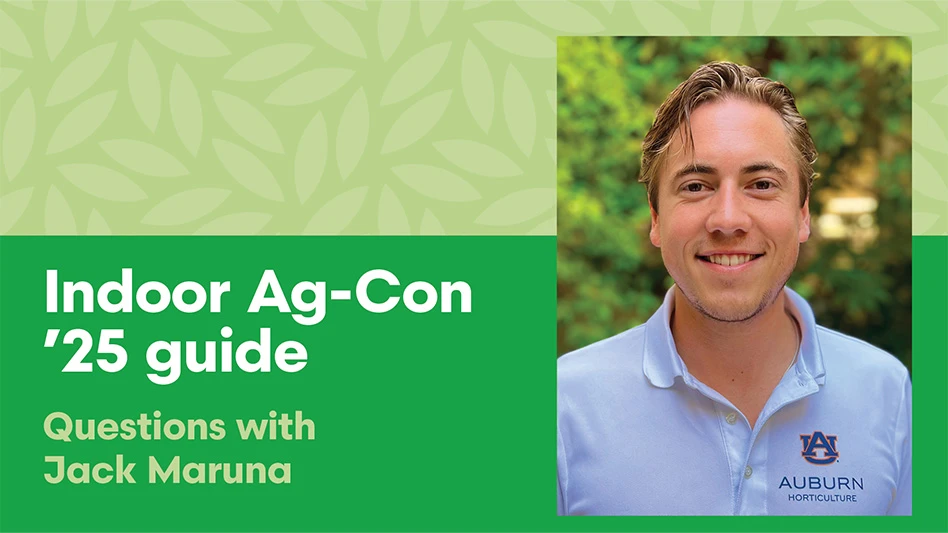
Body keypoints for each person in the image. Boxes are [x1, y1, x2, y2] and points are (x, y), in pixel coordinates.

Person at [556, 61, 911, 516]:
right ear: (656, 219)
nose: (728, 220)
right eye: (697, 185)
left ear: (802, 214)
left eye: (761, 184)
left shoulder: (887, 392)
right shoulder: (564, 404)